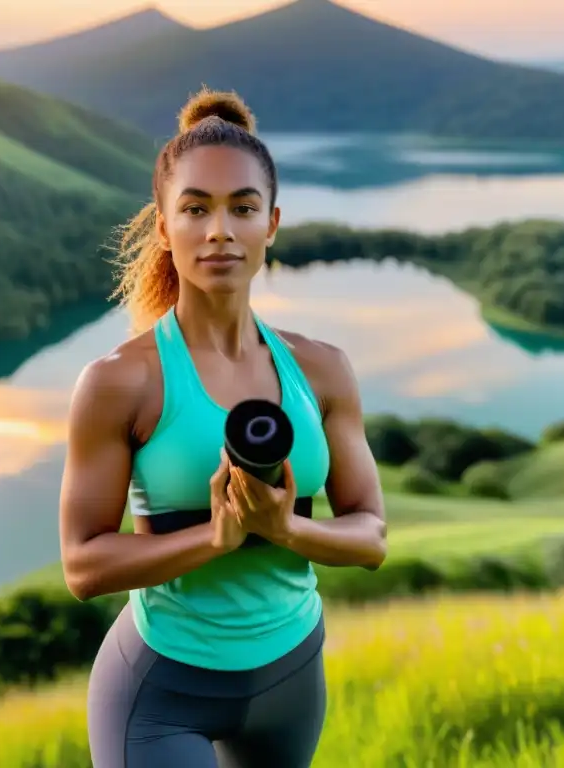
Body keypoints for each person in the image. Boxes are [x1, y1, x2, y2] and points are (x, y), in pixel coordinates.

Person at [59, 86, 388, 768]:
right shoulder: (122, 381)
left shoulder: (322, 370)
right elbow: (84, 564)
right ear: (163, 225)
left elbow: (371, 535)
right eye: (195, 209)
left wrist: (286, 530)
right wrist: (218, 537)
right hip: (163, 691)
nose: (219, 231)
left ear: (270, 223)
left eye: (241, 208)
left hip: (293, 673)